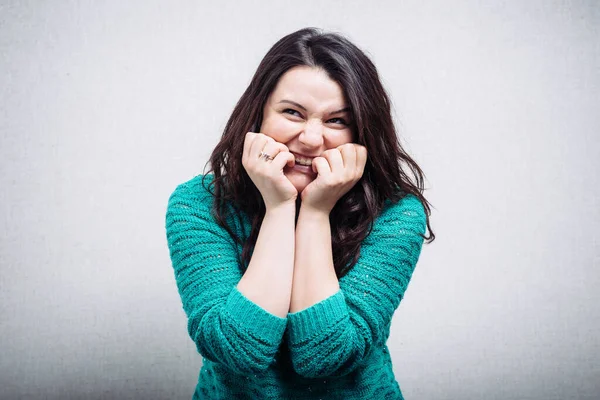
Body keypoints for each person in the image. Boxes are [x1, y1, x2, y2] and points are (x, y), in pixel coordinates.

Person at [165, 27, 435, 400]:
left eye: (336, 121)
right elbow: (238, 350)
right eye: (292, 113)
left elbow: (324, 356)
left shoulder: (395, 213)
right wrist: (278, 207)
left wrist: (315, 213)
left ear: (362, 133)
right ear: (258, 114)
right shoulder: (198, 203)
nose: (311, 138)